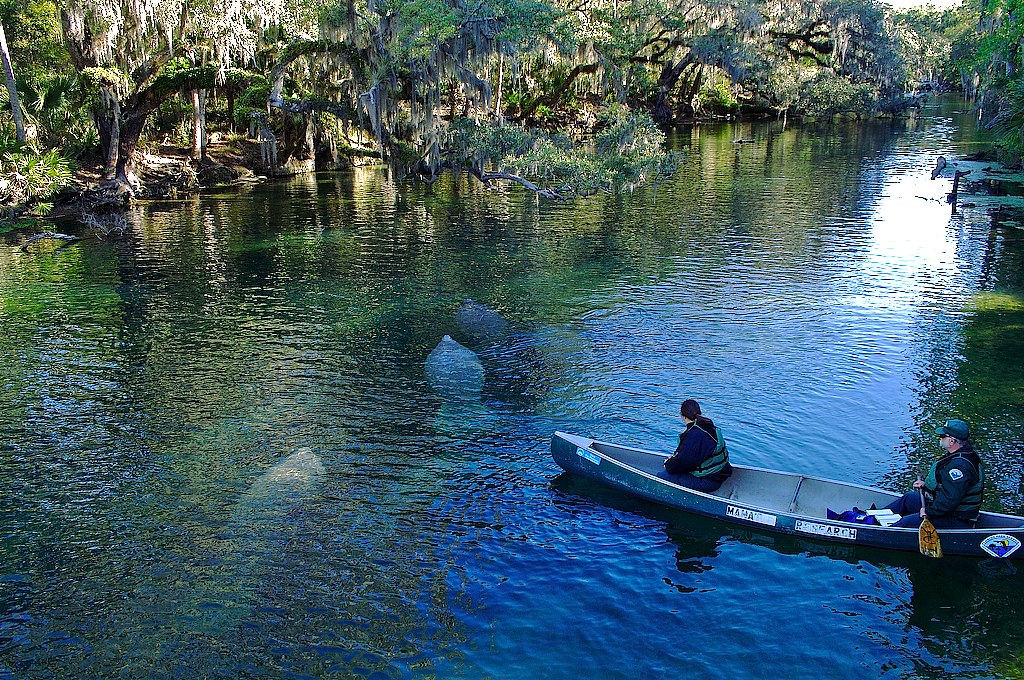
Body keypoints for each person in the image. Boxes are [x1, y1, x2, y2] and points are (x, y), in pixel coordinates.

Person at [885, 419, 984, 529]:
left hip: (956, 518)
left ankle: (882, 532)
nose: (940, 438)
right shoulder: (960, 454)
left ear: (952, 441)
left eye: (942, 436)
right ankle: (871, 518)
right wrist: (926, 486)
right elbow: (949, 485)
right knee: (909, 498)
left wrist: (928, 512)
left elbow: (950, 499)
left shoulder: (959, 466)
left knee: (906, 522)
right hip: (946, 510)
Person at [657, 399, 732, 492]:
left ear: (683, 416)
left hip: (709, 482)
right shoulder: (709, 426)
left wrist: (668, 464)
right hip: (720, 474)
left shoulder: (693, 436)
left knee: (662, 476)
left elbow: (681, 464)